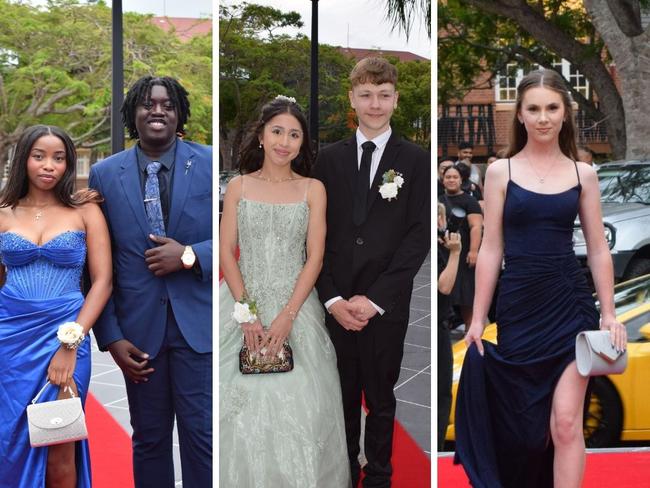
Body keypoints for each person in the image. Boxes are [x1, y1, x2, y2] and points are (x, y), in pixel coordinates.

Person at [454, 69, 627, 488]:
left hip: (570, 306)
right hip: (519, 308)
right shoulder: (500, 173)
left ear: (566, 114)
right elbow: (492, 248)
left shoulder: (583, 175)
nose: (543, 117)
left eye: (552, 108)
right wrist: (477, 319)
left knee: (566, 423)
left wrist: (608, 314)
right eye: (533, 108)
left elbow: (598, 247)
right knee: (528, 431)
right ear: (520, 115)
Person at [219, 95, 350, 487]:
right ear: (261, 135)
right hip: (244, 303)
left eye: (294, 135)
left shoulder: (313, 189)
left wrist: (288, 315)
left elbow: (315, 257)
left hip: (297, 307)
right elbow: (227, 252)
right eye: (277, 131)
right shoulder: (238, 186)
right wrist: (248, 314)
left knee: (304, 408)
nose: (284, 141)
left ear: (302, 143)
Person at [88, 76, 212, 487]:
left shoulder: (209, 163)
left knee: (203, 439)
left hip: (200, 329)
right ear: (132, 114)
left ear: (179, 114)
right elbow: (97, 265)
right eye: (147, 104)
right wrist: (111, 337)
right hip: (138, 336)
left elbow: (237, 232)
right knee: (150, 439)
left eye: (167, 104)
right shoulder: (105, 174)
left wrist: (190, 254)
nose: (157, 111)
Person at [313, 57, 431, 488]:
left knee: (381, 398)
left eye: (383, 95)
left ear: (396, 99)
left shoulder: (415, 161)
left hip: (386, 305)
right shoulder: (327, 160)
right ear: (352, 99)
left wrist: (376, 299)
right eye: (366, 95)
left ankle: (379, 475)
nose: (375, 104)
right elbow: (315, 236)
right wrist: (332, 298)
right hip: (335, 303)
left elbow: (417, 237)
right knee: (340, 397)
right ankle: (343, 471)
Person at [0, 125, 112, 487]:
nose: (49, 165)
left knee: (59, 445)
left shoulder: (84, 210)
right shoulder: (3, 212)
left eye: (59, 158)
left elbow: (102, 283)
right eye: (39, 156)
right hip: (9, 341)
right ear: (24, 160)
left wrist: (71, 343)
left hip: (66, 338)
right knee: (8, 443)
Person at [439, 164, 483, 328]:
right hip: (443, 254)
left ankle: (470, 331)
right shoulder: (439, 199)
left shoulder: (470, 201)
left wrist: (474, 251)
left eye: (455, 177)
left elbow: (476, 226)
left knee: (466, 297)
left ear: (461, 180)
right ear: (443, 180)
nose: (451, 180)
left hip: (464, 253)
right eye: (448, 177)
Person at [437, 203, 461, 450]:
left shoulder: (441, 244)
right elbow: (443, 286)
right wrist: (455, 254)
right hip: (437, 327)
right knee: (441, 393)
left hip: (443, 323)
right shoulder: (439, 249)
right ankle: (437, 447)